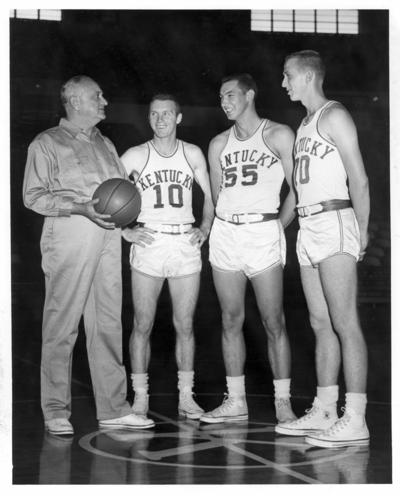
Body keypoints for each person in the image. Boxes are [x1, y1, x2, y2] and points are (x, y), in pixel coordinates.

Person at [23, 75, 154, 435]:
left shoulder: (106, 143)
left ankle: (113, 407)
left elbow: (117, 198)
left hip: (108, 241)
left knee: (108, 325)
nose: (105, 101)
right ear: (75, 101)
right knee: (62, 326)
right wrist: (80, 207)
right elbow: (32, 196)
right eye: (97, 96)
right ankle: (55, 410)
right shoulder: (46, 143)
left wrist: (125, 226)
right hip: (69, 238)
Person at [276, 50, 370, 448]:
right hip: (308, 225)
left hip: (334, 221)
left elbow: (359, 179)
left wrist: (362, 232)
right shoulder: (304, 124)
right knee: (319, 323)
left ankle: (356, 417)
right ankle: (326, 407)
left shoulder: (335, 115)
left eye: (288, 76)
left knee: (345, 322)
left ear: (309, 76)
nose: (284, 84)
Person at [200, 73, 297, 424]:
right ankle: (236, 399)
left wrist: (277, 227)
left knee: (274, 321)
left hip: (263, 233)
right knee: (230, 319)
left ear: (250, 95)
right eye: (220, 96)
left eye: (229, 95)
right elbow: (215, 195)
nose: (223, 102)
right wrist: (209, 228)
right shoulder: (217, 144)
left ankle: (283, 402)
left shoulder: (279, 134)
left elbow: (297, 190)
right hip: (227, 234)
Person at [120, 94, 214, 420]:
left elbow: (211, 195)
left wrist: (205, 226)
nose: (160, 119)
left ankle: (186, 398)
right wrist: (125, 231)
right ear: (149, 119)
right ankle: (140, 397)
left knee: (184, 325)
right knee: (142, 324)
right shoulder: (134, 155)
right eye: (154, 114)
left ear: (178, 118)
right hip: (149, 240)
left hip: (184, 242)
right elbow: (108, 194)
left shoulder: (191, 153)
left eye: (166, 114)